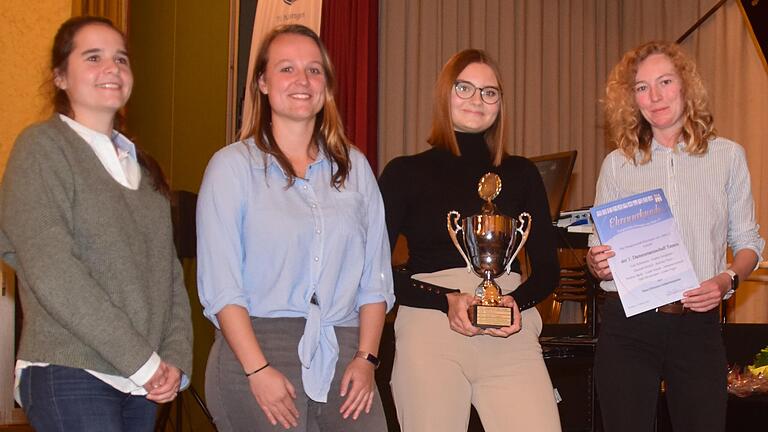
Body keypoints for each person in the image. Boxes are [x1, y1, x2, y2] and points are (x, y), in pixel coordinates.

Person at [196, 24, 394, 431]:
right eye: (287, 69)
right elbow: (221, 287)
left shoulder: (355, 169)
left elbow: (375, 280)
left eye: (314, 70)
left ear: (327, 85)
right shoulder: (232, 167)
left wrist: (366, 358)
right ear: (263, 83)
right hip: (258, 347)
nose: (302, 80)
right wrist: (258, 370)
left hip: (346, 350)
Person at [0, 16, 194, 432]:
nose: (113, 68)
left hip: (140, 379)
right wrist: (144, 362)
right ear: (60, 76)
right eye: (93, 57)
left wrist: (175, 359)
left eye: (121, 59)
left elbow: (170, 278)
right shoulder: (42, 149)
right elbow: (54, 271)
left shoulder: (144, 168)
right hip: (70, 369)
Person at [379, 49, 562, 432]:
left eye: (489, 92)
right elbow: (373, 272)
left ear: (500, 103)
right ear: (445, 94)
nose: (477, 100)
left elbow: (547, 270)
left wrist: (516, 302)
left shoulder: (522, 174)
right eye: (465, 88)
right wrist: (444, 300)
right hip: (431, 326)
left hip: (510, 323)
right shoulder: (404, 173)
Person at [587, 40, 764, 432]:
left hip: (697, 326)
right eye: (642, 87)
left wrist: (727, 279)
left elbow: (750, 241)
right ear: (631, 99)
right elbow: (597, 255)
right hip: (628, 326)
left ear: (686, 86)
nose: (655, 96)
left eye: (665, 81)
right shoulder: (617, 165)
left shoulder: (728, 157)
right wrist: (596, 262)